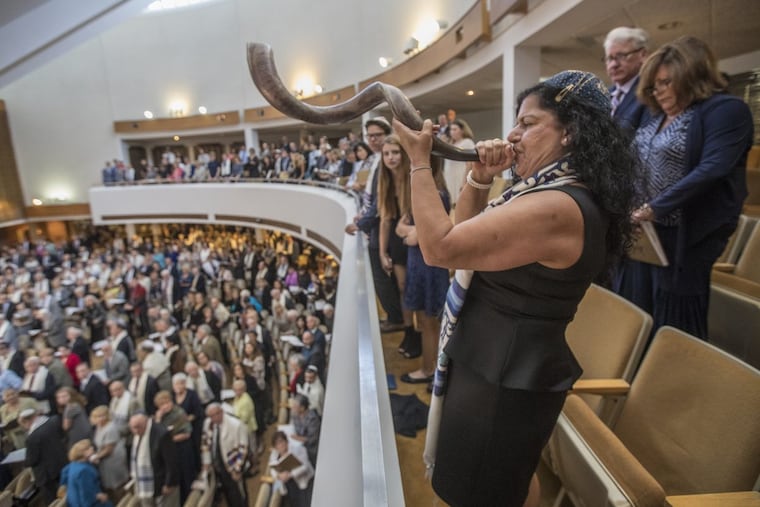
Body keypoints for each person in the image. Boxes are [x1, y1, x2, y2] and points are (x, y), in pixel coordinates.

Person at [394, 69, 638, 506]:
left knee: (480, 491)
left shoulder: (557, 206)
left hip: (503, 379)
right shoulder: (550, 192)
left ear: (571, 133)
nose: (512, 133)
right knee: (508, 484)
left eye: (528, 124)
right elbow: (462, 246)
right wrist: (481, 179)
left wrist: (419, 161)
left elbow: (439, 249)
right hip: (496, 365)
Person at [613, 36, 754, 340]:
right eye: (653, 85)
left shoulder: (725, 110)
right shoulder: (656, 114)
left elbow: (712, 169)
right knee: (634, 316)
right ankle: (633, 379)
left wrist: (654, 208)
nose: (658, 91)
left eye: (665, 82)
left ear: (691, 74)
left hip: (683, 237)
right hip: (643, 232)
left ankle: (672, 385)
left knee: (674, 326)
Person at [344, 117, 405, 334]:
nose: (372, 139)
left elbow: (381, 203)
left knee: (384, 278)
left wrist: (362, 224)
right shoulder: (376, 160)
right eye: (369, 136)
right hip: (379, 224)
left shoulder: (384, 162)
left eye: (377, 135)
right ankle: (396, 316)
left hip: (385, 227)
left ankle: (396, 318)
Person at [395, 157, 451, 386]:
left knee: (430, 322)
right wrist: (415, 232)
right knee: (425, 320)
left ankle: (429, 370)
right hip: (419, 263)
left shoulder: (436, 194)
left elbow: (425, 234)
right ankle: (431, 369)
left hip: (429, 266)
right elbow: (401, 229)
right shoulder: (423, 194)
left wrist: (415, 233)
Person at [376, 135, 422, 358]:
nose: (391, 157)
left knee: (415, 288)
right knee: (402, 286)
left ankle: (420, 332)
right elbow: (385, 219)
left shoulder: (411, 177)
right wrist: (383, 252)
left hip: (414, 232)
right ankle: (409, 330)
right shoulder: (384, 181)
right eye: (386, 153)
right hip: (396, 235)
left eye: (395, 152)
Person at [604, 26, 651, 133]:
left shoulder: (650, 92)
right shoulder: (603, 95)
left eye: (621, 56)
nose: (614, 64)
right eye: (609, 58)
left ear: (642, 55)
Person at [201, 403, 248, 507]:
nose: (214, 418)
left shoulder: (236, 425)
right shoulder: (208, 423)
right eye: (211, 416)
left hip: (232, 464)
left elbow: (243, 449)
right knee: (227, 493)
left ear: (221, 412)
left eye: (216, 414)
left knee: (238, 495)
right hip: (217, 465)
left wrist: (237, 468)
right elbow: (205, 443)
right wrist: (206, 462)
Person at [153, 390, 197, 504]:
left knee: (186, 478)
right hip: (168, 452)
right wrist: (158, 419)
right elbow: (156, 434)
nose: (165, 406)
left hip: (182, 449)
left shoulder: (179, 413)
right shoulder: (158, 417)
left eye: (166, 402)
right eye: (161, 404)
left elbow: (187, 433)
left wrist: (168, 440)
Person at [129, 412, 179, 507]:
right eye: (132, 428)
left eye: (138, 427)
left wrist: (169, 483)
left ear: (146, 423)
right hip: (144, 485)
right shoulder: (137, 435)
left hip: (162, 483)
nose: (135, 431)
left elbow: (171, 462)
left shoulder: (162, 434)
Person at [20, 408, 68, 503]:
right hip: (62, 463)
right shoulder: (54, 421)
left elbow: (32, 460)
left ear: (26, 421)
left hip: (47, 474)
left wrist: (24, 462)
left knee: (53, 499)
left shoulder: (32, 438)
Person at [90, 406, 129, 503]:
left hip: (113, 459)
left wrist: (96, 456)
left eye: (102, 416)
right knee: (109, 486)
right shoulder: (99, 427)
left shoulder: (110, 428)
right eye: (97, 417)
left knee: (117, 485)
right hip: (104, 460)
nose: (100, 419)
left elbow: (109, 449)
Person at [60, 439, 113, 507]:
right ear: (82, 453)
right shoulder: (84, 471)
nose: (92, 448)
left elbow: (64, 479)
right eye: (88, 448)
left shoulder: (72, 465)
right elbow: (86, 498)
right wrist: (98, 496)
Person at [268, 430, 314, 507]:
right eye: (277, 444)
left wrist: (290, 475)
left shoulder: (298, 449)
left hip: (304, 482)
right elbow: (272, 468)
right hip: (289, 486)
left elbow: (305, 466)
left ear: (286, 441)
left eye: (281, 442)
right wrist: (279, 476)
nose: (280, 445)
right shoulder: (274, 455)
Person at [442, 118, 476, 205]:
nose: (452, 132)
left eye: (455, 129)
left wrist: (464, 181)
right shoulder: (450, 144)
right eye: (451, 130)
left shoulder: (467, 142)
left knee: (460, 202)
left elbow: (470, 163)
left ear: (462, 130)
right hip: (449, 177)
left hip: (460, 175)